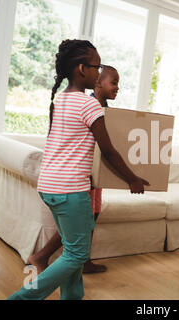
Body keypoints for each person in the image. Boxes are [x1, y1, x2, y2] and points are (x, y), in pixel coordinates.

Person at [8, 39, 148, 300]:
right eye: (97, 67)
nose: (98, 73)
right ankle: (21, 298)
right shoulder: (89, 105)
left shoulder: (61, 100)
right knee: (77, 255)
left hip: (49, 186)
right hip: (70, 191)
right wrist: (133, 179)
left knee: (72, 250)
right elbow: (108, 151)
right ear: (81, 69)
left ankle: (72, 297)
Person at [27, 66, 120, 275]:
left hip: (96, 175)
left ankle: (84, 260)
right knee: (81, 221)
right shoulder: (88, 105)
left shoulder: (107, 110)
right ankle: (42, 255)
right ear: (98, 82)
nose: (117, 87)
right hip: (80, 177)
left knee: (92, 216)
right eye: (113, 82)